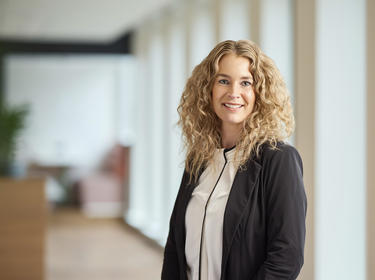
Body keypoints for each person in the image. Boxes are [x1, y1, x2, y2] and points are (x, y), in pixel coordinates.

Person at [161, 40, 307, 280]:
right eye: (223, 80)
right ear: (208, 88)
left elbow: (286, 257)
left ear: (260, 92)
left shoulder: (279, 160)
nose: (233, 93)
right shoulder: (199, 159)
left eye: (245, 83)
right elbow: (175, 245)